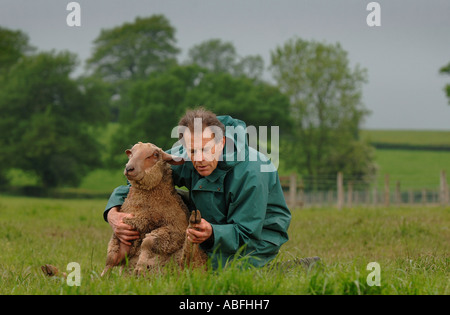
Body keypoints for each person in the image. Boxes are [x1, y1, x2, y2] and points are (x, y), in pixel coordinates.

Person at [103, 108, 291, 268]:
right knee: (172, 261)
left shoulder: (252, 172)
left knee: (208, 271)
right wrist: (113, 213)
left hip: (256, 237)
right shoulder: (185, 155)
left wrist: (213, 233)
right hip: (205, 224)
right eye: (192, 151)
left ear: (221, 143)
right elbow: (142, 181)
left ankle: (293, 267)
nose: (199, 159)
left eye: (207, 149)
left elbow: (247, 232)